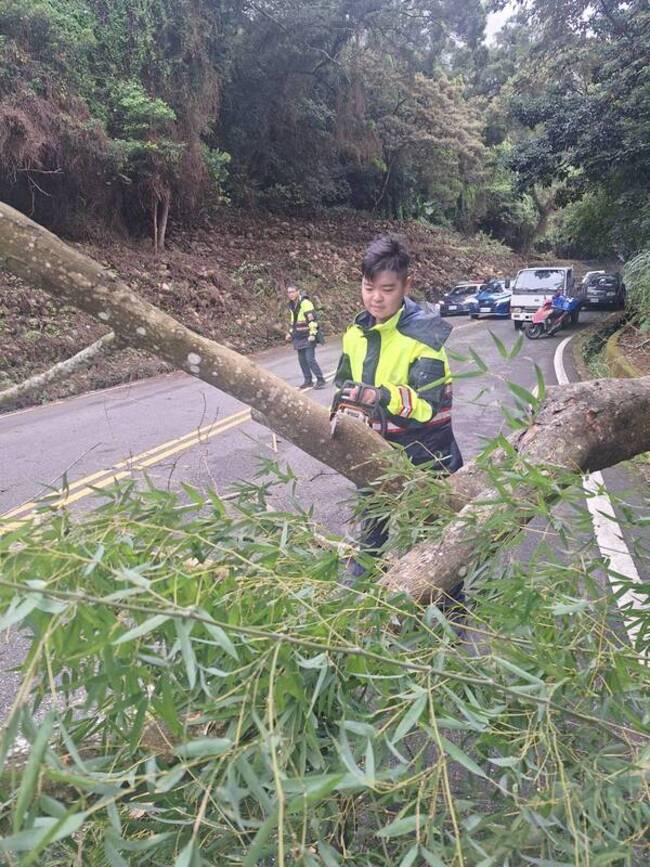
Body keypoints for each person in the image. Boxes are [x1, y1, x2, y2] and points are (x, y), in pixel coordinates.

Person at [333, 235, 464, 601]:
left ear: (407, 285)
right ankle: (355, 611)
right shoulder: (356, 333)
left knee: (438, 545)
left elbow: (429, 406)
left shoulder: (425, 337)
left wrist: (380, 396)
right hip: (376, 454)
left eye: (387, 289)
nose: (376, 297)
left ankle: (451, 618)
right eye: (368, 287)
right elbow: (343, 383)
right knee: (371, 536)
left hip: (427, 460)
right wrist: (341, 410)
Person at [286, 284, 326, 389]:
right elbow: (293, 321)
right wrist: (290, 333)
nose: (291, 294)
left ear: (297, 291)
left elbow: (312, 319)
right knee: (302, 360)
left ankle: (320, 379)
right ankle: (308, 380)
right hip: (298, 336)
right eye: (289, 292)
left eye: (292, 292)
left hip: (308, 335)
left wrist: (312, 334)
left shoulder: (306, 303)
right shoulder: (292, 305)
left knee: (310, 359)